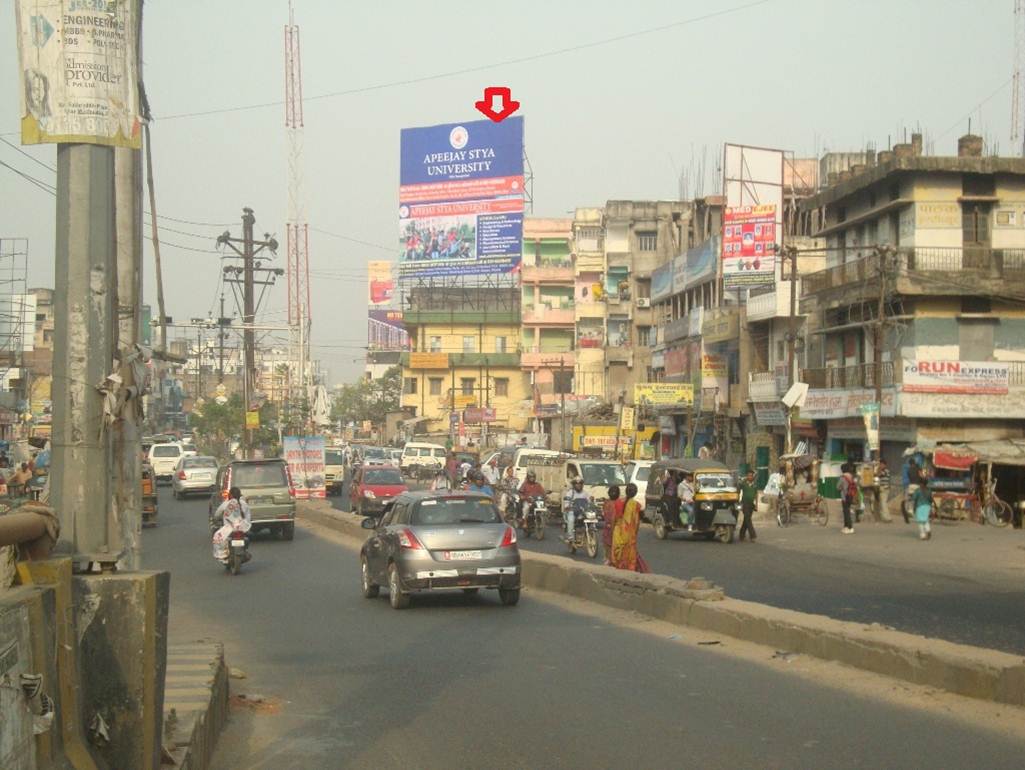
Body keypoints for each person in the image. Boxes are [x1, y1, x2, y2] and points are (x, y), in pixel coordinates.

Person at [611, 483, 649, 572]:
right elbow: (636, 521)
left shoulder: (618, 502)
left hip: (618, 531)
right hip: (629, 533)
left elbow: (614, 518)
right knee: (630, 554)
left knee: (618, 553)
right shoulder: (636, 505)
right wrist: (635, 533)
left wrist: (613, 529)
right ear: (635, 493)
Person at [211, 487, 252, 564]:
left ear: (230, 495)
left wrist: (215, 520)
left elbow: (217, 515)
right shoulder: (244, 504)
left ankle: (223, 556)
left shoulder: (226, 503)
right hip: (242, 528)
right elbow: (248, 517)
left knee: (217, 537)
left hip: (229, 529)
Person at [562, 476, 590, 542]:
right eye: (577, 483)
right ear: (574, 484)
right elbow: (566, 502)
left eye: (580, 483)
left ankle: (588, 532)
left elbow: (589, 501)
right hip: (573, 511)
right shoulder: (570, 493)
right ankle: (570, 537)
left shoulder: (585, 493)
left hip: (582, 512)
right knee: (571, 519)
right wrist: (568, 506)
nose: (578, 485)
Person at [602, 485, 624, 565]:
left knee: (607, 544)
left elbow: (604, 514)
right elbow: (614, 517)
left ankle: (608, 559)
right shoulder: (619, 503)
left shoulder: (606, 503)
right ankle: (612, 560)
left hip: (607, 527)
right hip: (615, 527)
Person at [738, 469, 758, 542]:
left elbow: (756, 495)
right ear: (747, 476)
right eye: (748, 475)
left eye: (751, 476)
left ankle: (741, 535)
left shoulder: (754, 484)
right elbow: (738, 490)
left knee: (746, 520)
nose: (750, 477)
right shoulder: (743, 483)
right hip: (744, 503)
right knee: (748, 519)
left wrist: (756, 505)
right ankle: (753, 536)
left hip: (751, 504)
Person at [912, 471, 933, 540]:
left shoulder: (918, 490)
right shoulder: (929, 490)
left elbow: (914, 499)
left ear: (920, 484)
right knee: (926, 520)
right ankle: (928, 529)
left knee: (920, 521)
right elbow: (930, 499)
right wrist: (931, 507)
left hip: (920, 506)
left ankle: (922, 535)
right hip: (927, 506)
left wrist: (914, 508)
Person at [838, 463, 858, 534]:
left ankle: (850, 527)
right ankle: (845, 527)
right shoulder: (851, 476)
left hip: (845, 497)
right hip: (851, 496)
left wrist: (841, 488)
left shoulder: (842, 477)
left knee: (846, 512)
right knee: (847, 511)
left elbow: (838, 487)